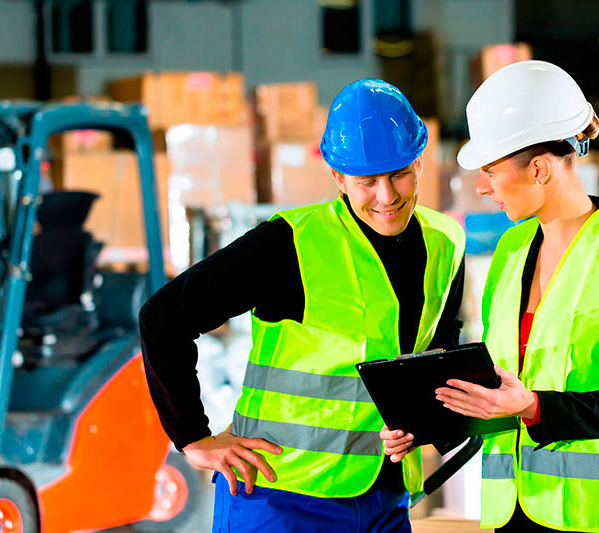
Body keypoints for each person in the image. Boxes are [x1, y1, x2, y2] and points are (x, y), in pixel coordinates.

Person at [139, 79, 466, 533]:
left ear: (420, 161)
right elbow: (163, 316)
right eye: (367, 181)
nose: (386, 196)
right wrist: (193, 437)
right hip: (280, 494)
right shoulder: (290, 243)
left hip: (386, 495)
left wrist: (423, 421)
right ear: (336, 176)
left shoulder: (445, 241)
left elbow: (439, 343)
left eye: (400, 174)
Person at [382, 60, 599, 532]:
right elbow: (502, 384)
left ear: (538, 169)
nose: (482, 187)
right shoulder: (511, 250)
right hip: (509, 509)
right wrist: (427, 425)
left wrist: (535, 408)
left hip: (593, 516)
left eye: (491, 170)